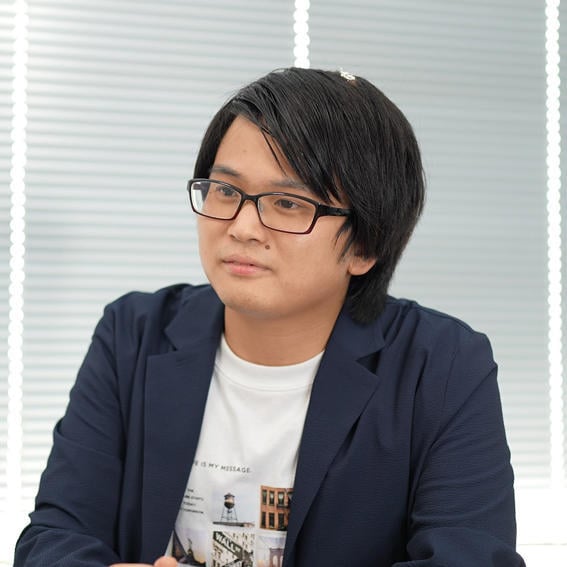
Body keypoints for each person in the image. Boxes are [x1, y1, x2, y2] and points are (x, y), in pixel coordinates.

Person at [14, 67, 525, 567]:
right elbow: (53, 540)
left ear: (365, 245)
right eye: (225, 191)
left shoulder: (442, 366)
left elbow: (471, 558)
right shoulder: (133, 334)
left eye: (286, 202)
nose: (242, 227)